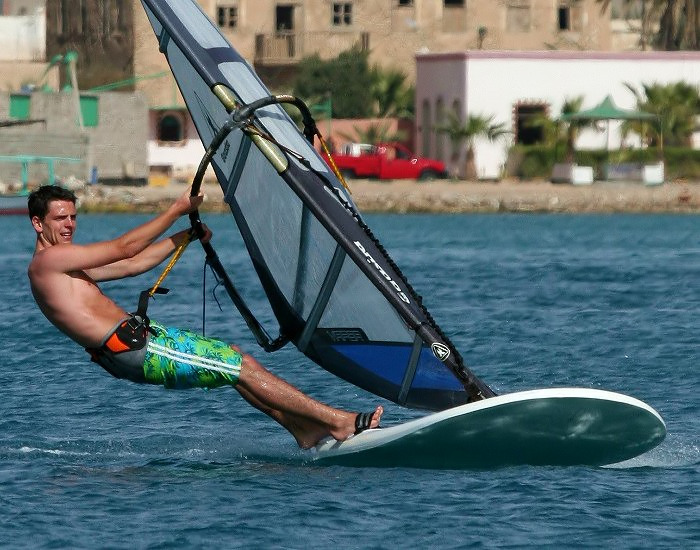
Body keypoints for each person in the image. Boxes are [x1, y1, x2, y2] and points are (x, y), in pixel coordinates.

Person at [27, 185, 382, 449]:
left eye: (73, 216)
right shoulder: (49, 263)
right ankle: (338, 421)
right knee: (237, 366)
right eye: (60, 218)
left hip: (139, 344)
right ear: (37, 224)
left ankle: (303, 429)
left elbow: (133, 264)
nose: (70, 224)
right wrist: (177, 209)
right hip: (136, 350)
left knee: (236, 363)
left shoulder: (65, 264)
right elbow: (125, 247)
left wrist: (186, 235)